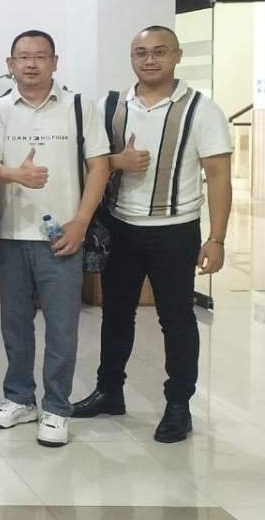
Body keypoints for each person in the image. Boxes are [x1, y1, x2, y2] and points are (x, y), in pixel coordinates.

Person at [72, 25, 232, 443]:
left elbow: (218, 175)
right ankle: (109, 391)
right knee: (115, 315)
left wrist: (216, 238)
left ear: (177, 56)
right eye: (140, 52)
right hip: (121, 227)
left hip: (175, 231)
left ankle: (178, 404)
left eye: (159, 51)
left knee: (176, 319)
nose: (149, 60)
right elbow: (92, 160)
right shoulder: (111, 106)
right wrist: (117, 161)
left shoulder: (202, 109)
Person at [0, 30, 110, 447]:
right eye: (23, 57)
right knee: (15, 326)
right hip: (12, 232)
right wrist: (15, 174)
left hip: (63, 236)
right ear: (10, 64)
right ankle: (20, 398)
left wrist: (81, 222)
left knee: (62, 328)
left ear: (55, 62)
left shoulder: (80, 107)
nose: (31, 64)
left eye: (40, 56)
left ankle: (56, 407)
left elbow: (100, 166)